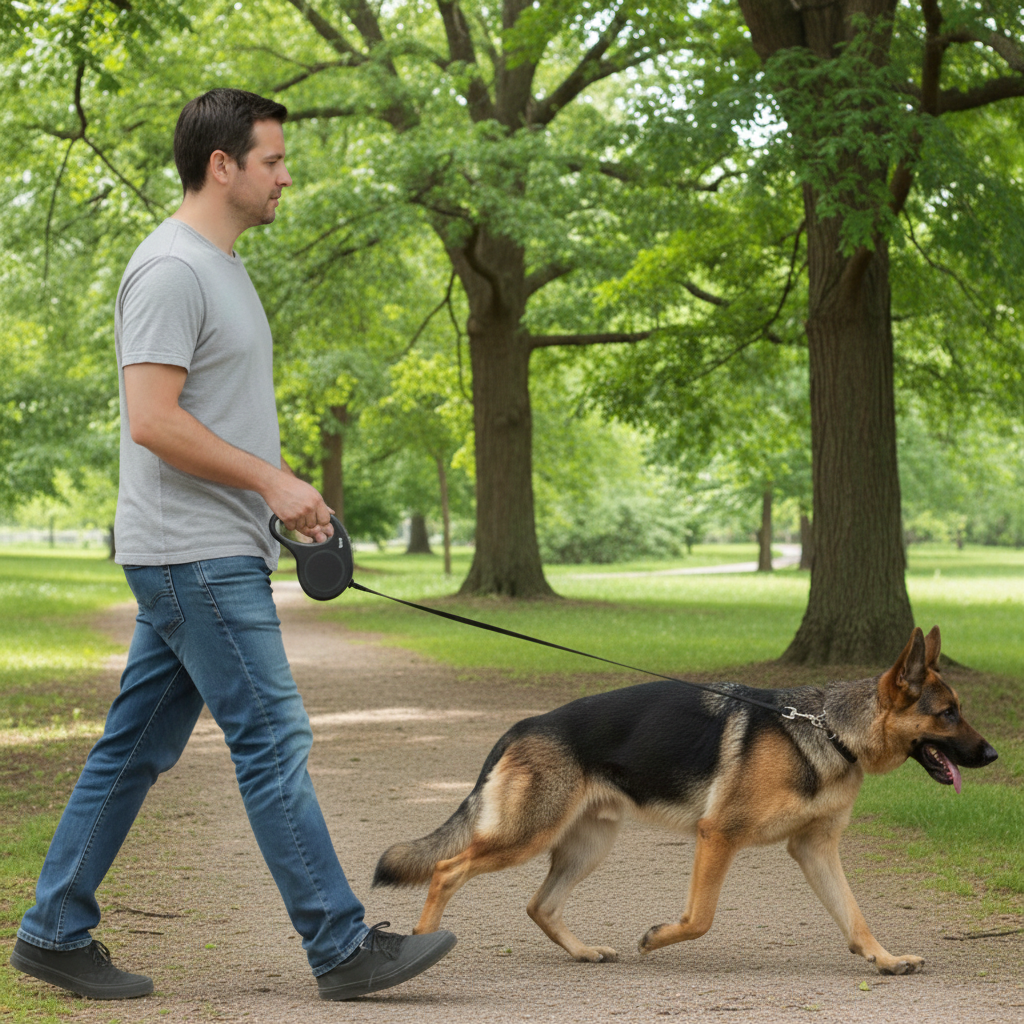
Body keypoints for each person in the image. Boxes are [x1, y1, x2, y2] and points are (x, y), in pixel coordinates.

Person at [9, 88, 455, 1002]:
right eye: (274, 160)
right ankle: (339, 946)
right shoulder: (171, 270)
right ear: (224, 165)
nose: (287, 175)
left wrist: (284, 505)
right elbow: (152, 420)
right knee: (272, 739)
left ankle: (54, 928)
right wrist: (271, 482)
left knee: (131, 750)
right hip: (193, 554)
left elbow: (206, 415)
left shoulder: (221, 268)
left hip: (211, 548)